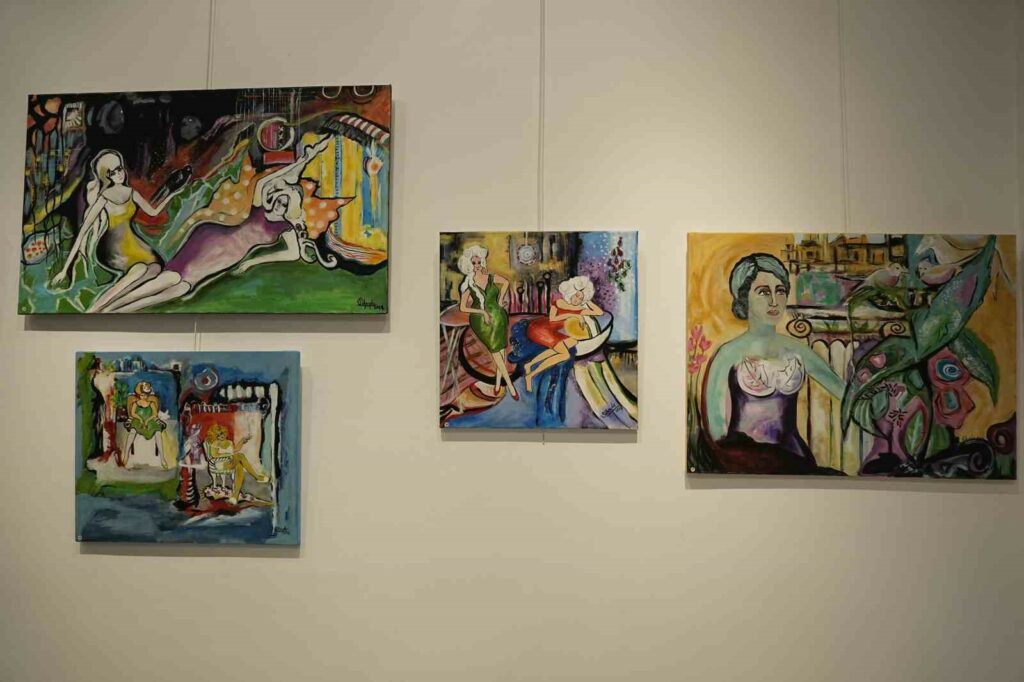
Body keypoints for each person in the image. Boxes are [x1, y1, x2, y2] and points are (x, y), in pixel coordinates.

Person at [87, 135, 338, 312]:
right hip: (212, 240)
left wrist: (253, 261)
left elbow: (293, 254)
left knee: (180, 289)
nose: (278, 203)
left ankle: (115, 311)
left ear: (291, 207)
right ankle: (104, 308)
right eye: (279, 197)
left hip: (228, 258)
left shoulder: (285, 228)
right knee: (170, 279)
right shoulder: (260, 203)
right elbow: (271, 180)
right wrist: (305, 159)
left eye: (285, 202)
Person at [703, 253, 845, 473]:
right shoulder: (728, 354)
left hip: (796, 458)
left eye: (780, 291)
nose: (774, 301)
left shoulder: (797, 350)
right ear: (744, 298)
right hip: (743, 461)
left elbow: (844, 393)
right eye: (763, 292)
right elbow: (715, 426)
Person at [51, 149, 184, 291]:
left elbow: (153, 212)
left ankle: (121, 299)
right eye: (113, 172)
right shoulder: (104, 198)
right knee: (144, 270)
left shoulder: (131, 193)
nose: (119, 174)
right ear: (107, 177)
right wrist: (65, 270)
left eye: (119, 169)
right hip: (113, 249)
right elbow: (82, 233)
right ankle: (111, 298)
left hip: (133, 243)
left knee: (157, 266)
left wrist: (171, 194)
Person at [523, 276, 603, 393]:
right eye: (576, 295)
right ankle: (531, 375)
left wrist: (587, 300)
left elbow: (599, 312)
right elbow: (553, 319)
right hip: (541, 328)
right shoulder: (560, 302)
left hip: (553, 332)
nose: (577, 300)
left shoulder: (579, 309)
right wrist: (573, 315)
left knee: (572, 341)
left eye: (581, 298)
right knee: (564, 355)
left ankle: (530, 365)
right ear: (571, 292)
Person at [457, 244, 518, 400]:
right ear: (469, 265)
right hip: (481, 319)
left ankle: (497, 383)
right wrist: (482, 312)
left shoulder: (490, 277)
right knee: (495, 350)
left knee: (501, 349)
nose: (477, 265)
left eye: (479, 262)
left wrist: (500, 299)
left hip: (498, 314)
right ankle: (510, 385)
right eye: (474, 263)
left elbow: (506, 282)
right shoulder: (469, 284)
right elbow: (463, 307)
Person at [202, 425, 269, 506]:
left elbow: (235, 450)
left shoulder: (229, 442)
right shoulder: (215, 443)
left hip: (231, 461)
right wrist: (228, 454)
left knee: (239, 466)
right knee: (240, 456)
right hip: (220, 463)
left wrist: (242, 441)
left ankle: (235, 496)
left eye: (222, 433)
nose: (221, 436)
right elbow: (214, 455)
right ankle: (257, 477)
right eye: (218, 435)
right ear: (215, 436)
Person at [124, 381, 166, 468]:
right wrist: (140, 418)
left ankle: (162, 458)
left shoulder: (151, 403)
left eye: (146, 395)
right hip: (138, 421)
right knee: (132, 431)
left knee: (158, 432)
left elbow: (154, 414)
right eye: (142, 395)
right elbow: (133, 413)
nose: (144, 397)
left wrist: (147, 420)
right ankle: (126, 455)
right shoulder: (135, 403)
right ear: (139, 395)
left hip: (149, 421)